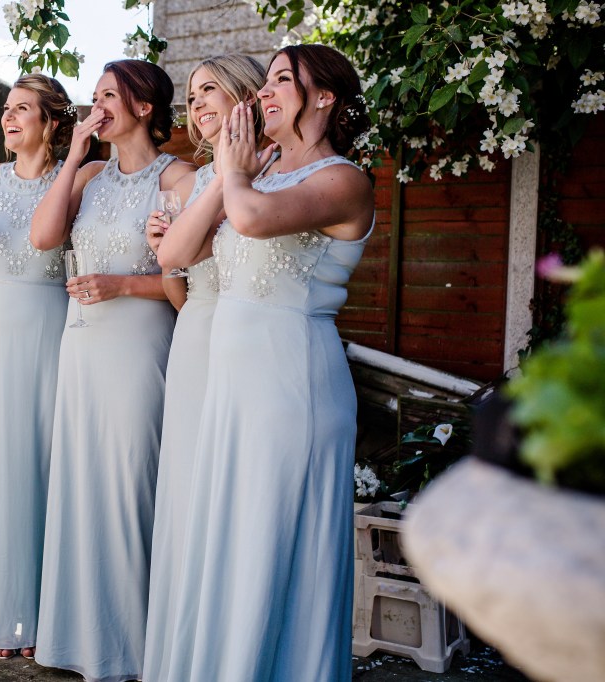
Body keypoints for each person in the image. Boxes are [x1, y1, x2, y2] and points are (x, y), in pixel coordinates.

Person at [164, 44, 375, 680]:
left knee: (273, 545)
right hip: (232, 384)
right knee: (232, 544)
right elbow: (174, 254)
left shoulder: (343, 179)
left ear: (327, 98)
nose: (266, 91)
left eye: (284, 79)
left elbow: (251, 220)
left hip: (292, 382)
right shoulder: (253, 173)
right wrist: (237, 171)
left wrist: (234, 174)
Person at [29, 59, 195, 682]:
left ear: (145, 107)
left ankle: (132, 650)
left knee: (130, 487)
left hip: (139, 346)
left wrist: (124, 282)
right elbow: (45, 239)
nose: (94, 107)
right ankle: (79, 639)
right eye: (91, 97)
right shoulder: (91, 173)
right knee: (80, 485)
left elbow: (193, 286)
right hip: (81, 347)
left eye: (107, 96)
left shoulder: (180, 178)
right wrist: (71, 154)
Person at [140, 53, 268, 682]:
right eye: (190, 97)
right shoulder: (184, 184)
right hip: (196, 335)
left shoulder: (274, 171)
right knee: (188, 488)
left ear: (247, 93)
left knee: (238, 489)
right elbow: (173, 280)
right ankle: (183, 649)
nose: (197, 105)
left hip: (255, 339)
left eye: (210, 89)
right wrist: (171, 256)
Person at [0, 73, 76, 661]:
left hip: (53, 325)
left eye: (23, 109)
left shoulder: (74, 180)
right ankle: (7, 612)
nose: (8, 117)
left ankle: (50, 611)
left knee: (49, 460)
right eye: (7, 109)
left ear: (51, 122)